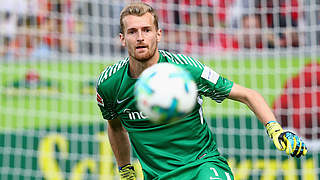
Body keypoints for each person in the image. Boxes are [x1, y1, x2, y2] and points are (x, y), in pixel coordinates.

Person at [96, 2, 307, 180]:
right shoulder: (109, 84)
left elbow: (248, 95)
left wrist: (276, 130)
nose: (140, 37)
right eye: (132, 32)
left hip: (202, 167)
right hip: (158, 175)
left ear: (158, 34)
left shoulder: (187, 70)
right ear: (122, 38)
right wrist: (125, 170)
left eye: (147, 30)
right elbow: (115, 127)